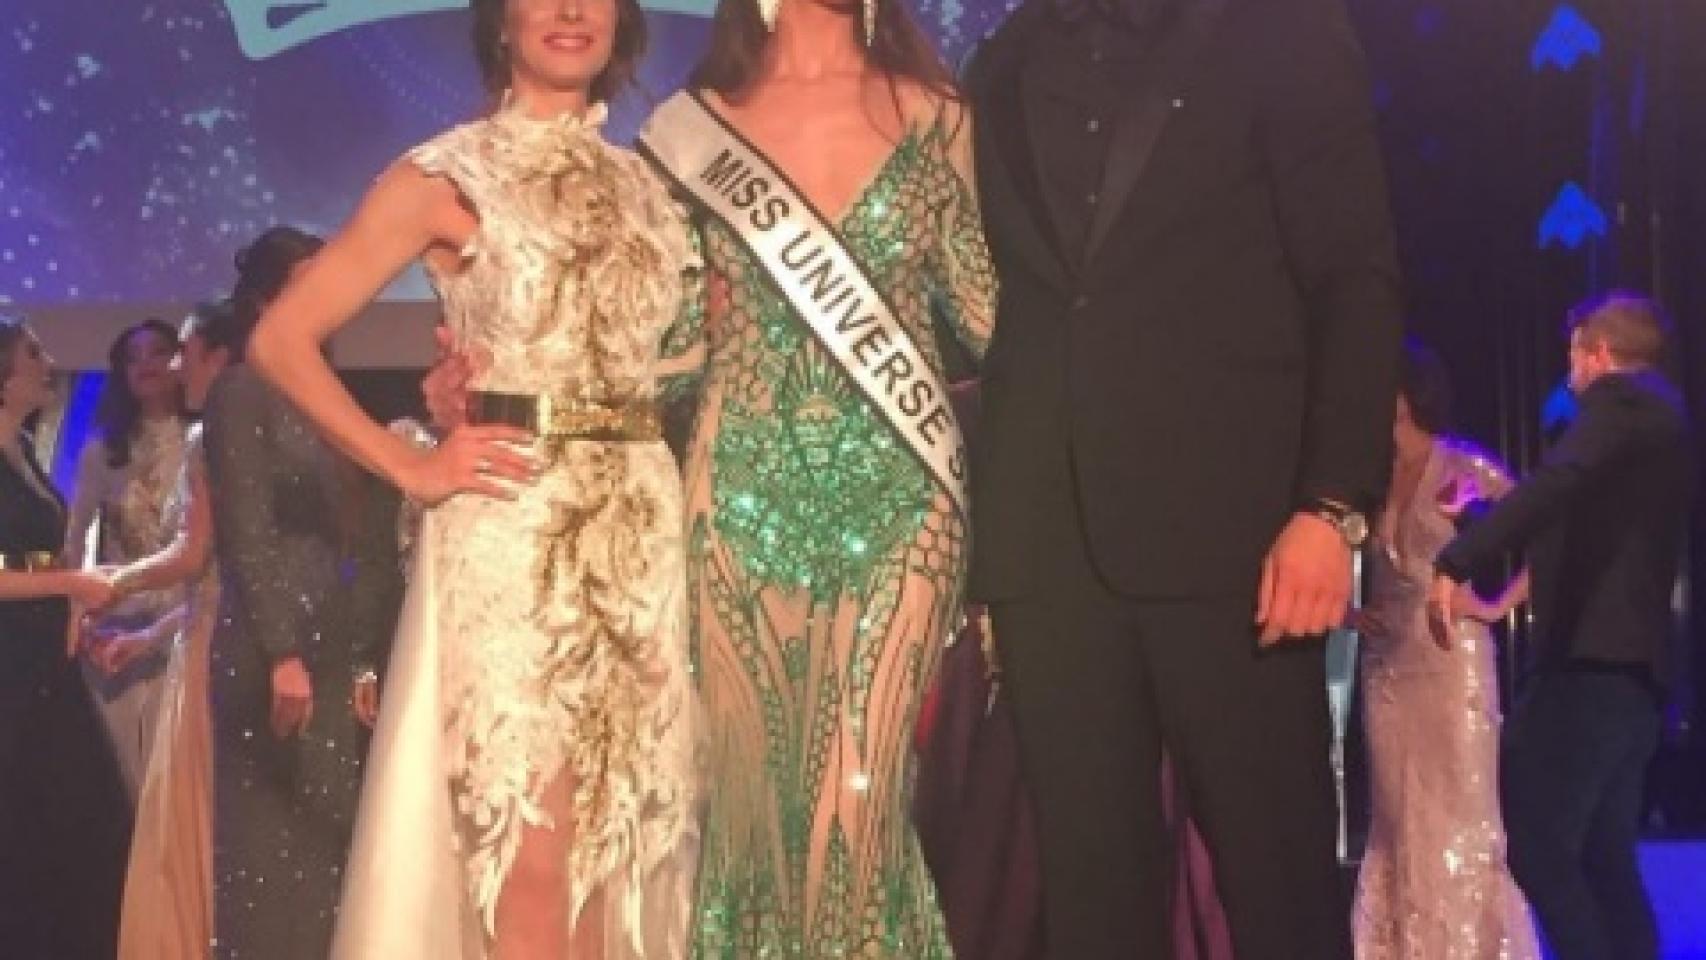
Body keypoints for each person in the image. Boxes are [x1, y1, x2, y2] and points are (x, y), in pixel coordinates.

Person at [247, 0, 702, 955]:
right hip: (512, 526)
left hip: (643, 534)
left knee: (625, 836)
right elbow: (282, 337)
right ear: (501, 20)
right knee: (524, 840)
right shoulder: (444, 174)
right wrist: (408, 464)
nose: (572, 12)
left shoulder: (653, 185)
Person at [961, 0, 1403, 953]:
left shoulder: (1283, 34)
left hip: (1240, 543)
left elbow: (1354, 278)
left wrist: (1332, 506)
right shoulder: (998, 64)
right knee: (1090, 904)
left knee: (1279, 886)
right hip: (1049, 547)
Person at [631, 1, 995, 953]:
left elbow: (990, 315)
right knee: (755, 824)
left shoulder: (936, 116)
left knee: (858, 811)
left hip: (905, 498)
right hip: (736, 495)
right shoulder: (687, 131)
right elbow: (662, 342)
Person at [1431, 293, 1692, 960]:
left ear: (1597, 354)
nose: (1570, 373)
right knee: (1605, 857)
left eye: (1573, 355)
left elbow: (1565, 478)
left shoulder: (1618, 406)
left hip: (1591, 668)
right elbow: (1576, 515)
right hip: (1633, 676)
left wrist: (1462, 557)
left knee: (1542, 849)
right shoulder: (1658, 425)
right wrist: (1489, 511)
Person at [201, 227, 377, 959]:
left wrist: (364, 657)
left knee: (330, 859)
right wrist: (281, 652)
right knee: (272, 869)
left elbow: (359, 537)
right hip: (276, 654)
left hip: (333, 651)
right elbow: (246, 531)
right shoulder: (243, 390)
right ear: (269, 301)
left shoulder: (327, 396)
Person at [1351, 341, 1538, 959]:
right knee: (1399, 826)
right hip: (1386, 672)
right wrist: (1351, 613)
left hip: (1452, 665)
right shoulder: (1369, 475)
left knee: (1461, 822)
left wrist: (1493, 605)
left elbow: (1549, 538)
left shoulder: (1464, 467)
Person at [107, 300, 241, 959]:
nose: (175, 366)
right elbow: (214, 585)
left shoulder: (209, 435)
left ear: (218, 357)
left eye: (185, 352)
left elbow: (192, 558)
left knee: (193, 817)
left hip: (209, 657)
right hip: (211, 631)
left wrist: (114, 582)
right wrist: (148, 633)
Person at [0, 315, 133, 960]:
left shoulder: (22, 450)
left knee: (84, 819)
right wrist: (69, 587)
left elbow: (43, 563)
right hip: (9, 666)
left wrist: (76, 609)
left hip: (41, 658)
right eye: (32, 351)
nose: (47, 361)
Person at [66, 319, 193, 797]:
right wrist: (78, 614)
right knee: (126, 770)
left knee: (177, 770)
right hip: (120, 620)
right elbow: (74, 540)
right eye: (133, 357)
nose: (146, 365)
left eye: (158, 352)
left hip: (185, 614)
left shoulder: (203, 439)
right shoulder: (103, 451)